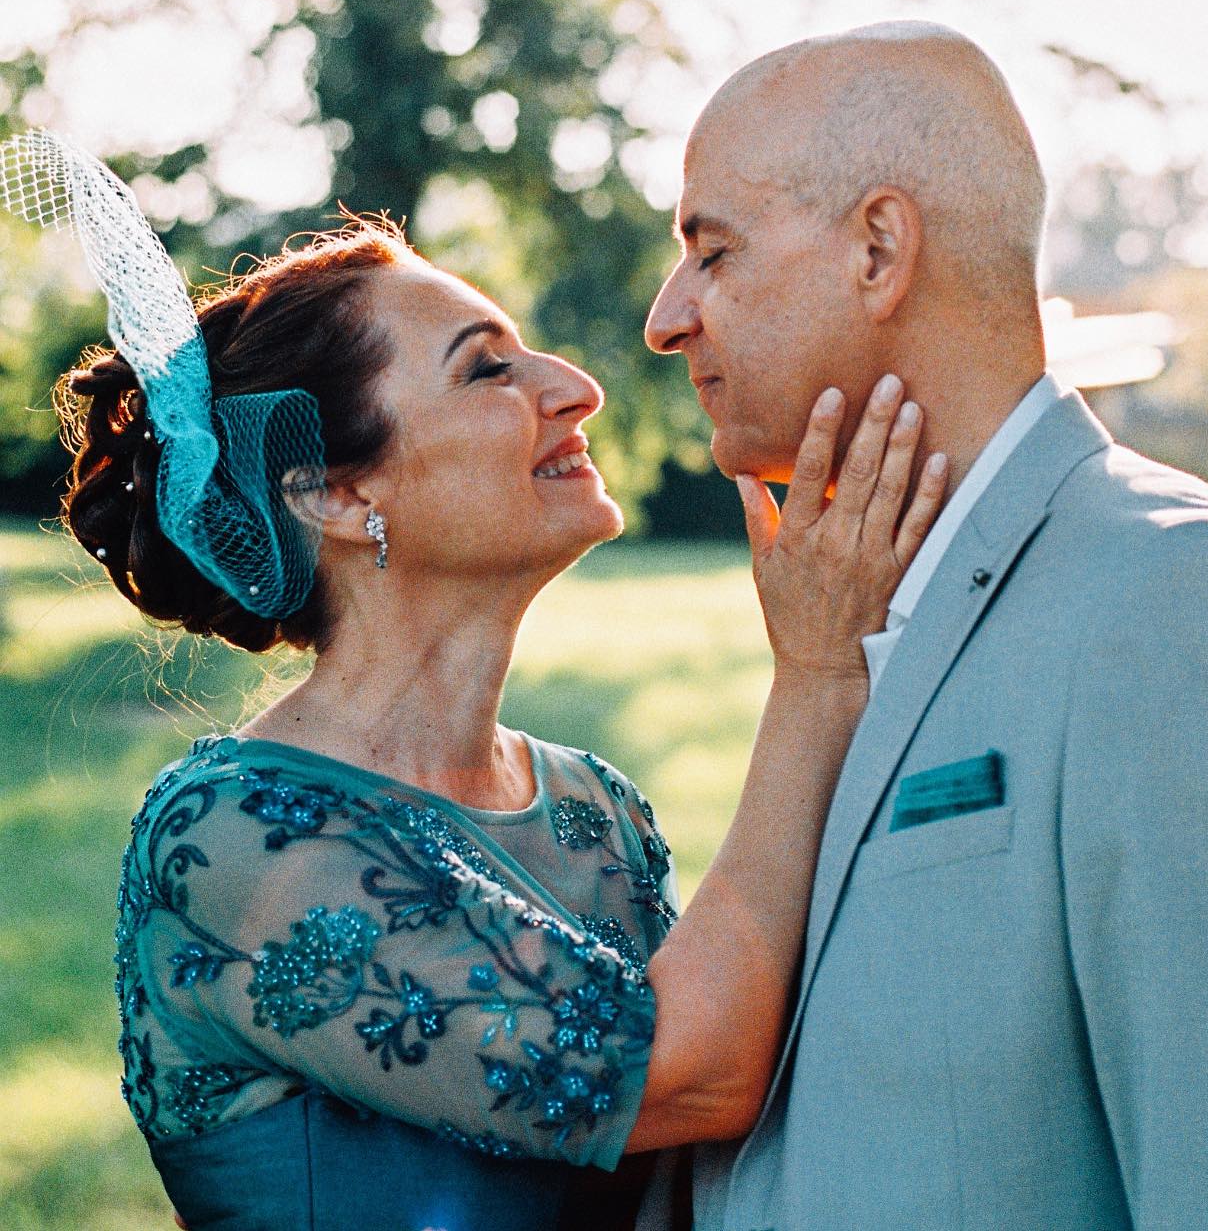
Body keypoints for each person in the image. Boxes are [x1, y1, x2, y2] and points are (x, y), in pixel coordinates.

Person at [60, 216, 947, 1231]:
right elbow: (689, 1075)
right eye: (488, 370)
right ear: (340, 493)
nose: (575, 387)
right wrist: (822, 671)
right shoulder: (235, 837)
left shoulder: (594, 810)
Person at [645, 21, 1208, 1230]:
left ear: (880, 249)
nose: (667, 318)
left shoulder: (1176, 600)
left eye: (712, 253)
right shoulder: (845, 614)